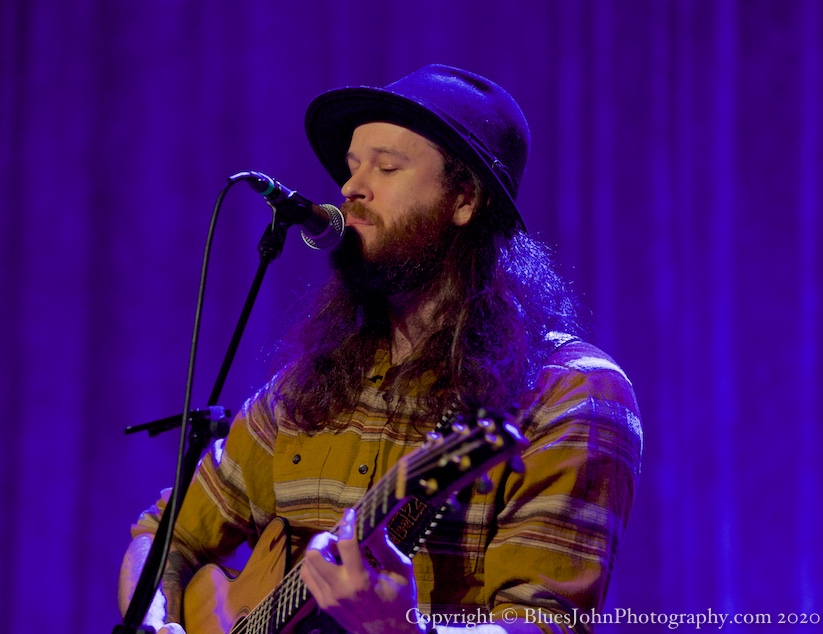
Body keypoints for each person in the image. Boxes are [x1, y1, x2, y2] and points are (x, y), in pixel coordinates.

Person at [119, 64, 643, 634]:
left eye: (387, 167)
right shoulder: (307, 387)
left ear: (465, 199)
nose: (350, 189)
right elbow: (163, 538)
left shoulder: (566, 391)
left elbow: (546, 625)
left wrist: (399, 628)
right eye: (352, 166)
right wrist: (155, 626)